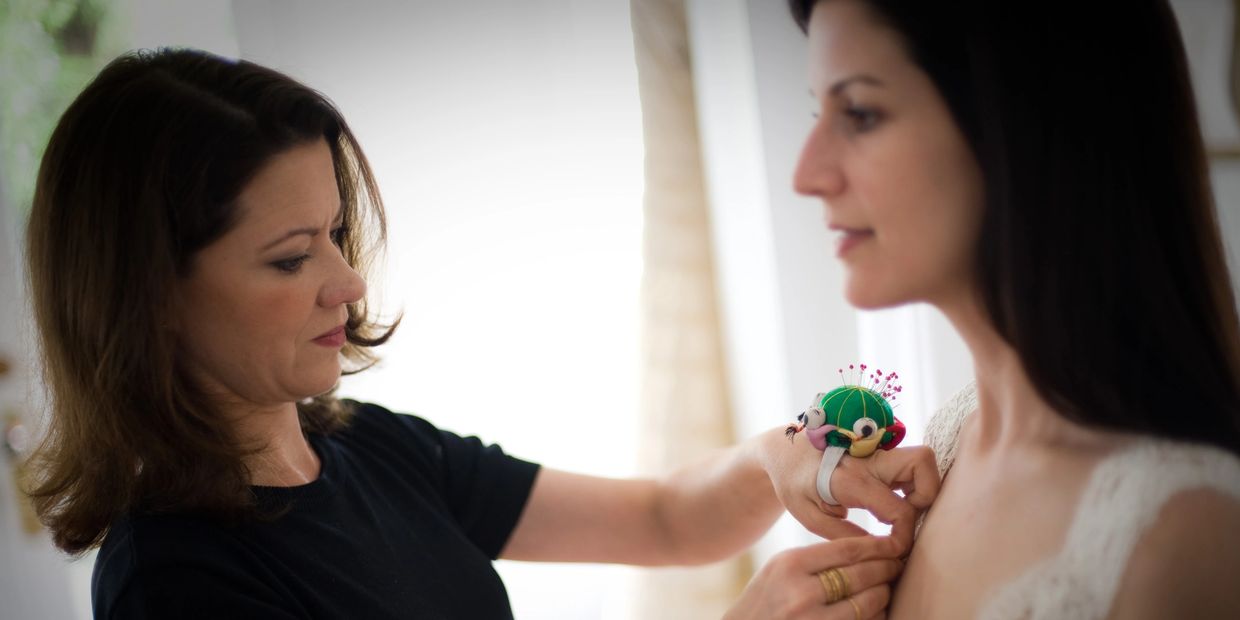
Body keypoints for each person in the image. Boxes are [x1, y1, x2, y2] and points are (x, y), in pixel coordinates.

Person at [22, 47, 933, 619]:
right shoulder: (174, 583)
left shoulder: (369, 448)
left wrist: (793, 455)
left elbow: (666, 519)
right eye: (292, 256)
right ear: (153, 299)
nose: (347, 280)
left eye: (337, 233)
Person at [785, 0, 1240, 618]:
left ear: (1022, 126)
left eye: (860, 113)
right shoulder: (953, 436)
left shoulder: (1178, 532)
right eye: (819, 112)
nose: (806, 175)